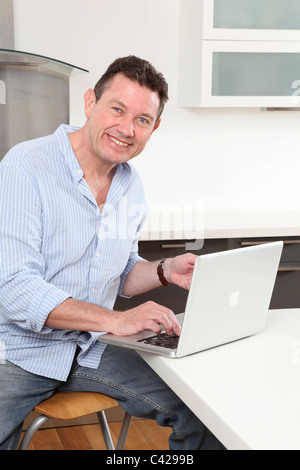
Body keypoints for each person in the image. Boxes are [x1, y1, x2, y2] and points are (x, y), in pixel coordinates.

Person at [0, 56, 225, 450]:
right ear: (90, 103)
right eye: (117, 109)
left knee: (203, 413)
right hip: (18, 351)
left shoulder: (130, 185)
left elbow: (119, 272)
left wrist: (164, 270)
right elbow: (16, 288)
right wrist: (115, 320)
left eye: (142, 119)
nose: (126, 129)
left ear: (154, 128)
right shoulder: (25, 167)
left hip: (89, 348)